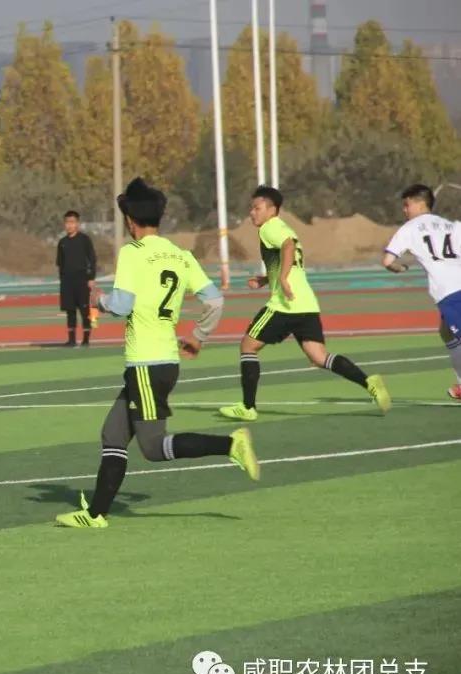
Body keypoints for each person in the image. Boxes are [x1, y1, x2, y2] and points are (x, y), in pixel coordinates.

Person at [56, 178, 259, 529]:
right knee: (113, 434)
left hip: (146, 365)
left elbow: (122, 305)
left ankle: (230, 445)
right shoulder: (181, 255)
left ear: (130, 220)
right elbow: (214, 300)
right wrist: (198, 336)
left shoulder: (133, 252)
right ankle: (95, 514)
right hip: (162, 361)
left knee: (152, 447)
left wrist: (99, 300)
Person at [218, 186, 390, 421]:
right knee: (319, 357)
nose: (252, 213)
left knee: (248, 346)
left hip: (284, 305)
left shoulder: (270, 228)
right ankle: (368, 382)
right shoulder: (285, 228)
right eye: (251, 208)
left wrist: (281, 278)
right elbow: (290, 257)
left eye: (257, 208)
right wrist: (267, 279)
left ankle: (248, 407)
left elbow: (288, 246)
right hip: (306, 303)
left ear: (272, 210)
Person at [381, 184, 461, 400]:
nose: (404, 210)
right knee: (446, 332)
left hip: (450, 293)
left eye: (406, 205)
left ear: (419, 203)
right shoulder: (451, 225)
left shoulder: (409, 228)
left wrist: (399, 268)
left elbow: (387, 260)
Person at [56, 210, 98, 347]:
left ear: (77, 224)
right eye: (67, 222)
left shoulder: (85, 240)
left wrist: (91, 278)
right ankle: (71, 339)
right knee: (70, 311)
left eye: (72, 222)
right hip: (67, 281)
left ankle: (86, 339)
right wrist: (62, 280)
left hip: (82, 280)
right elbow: (60, 263)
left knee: (85, 311)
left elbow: (92, 259)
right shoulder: (62, 242)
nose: (69, 225)